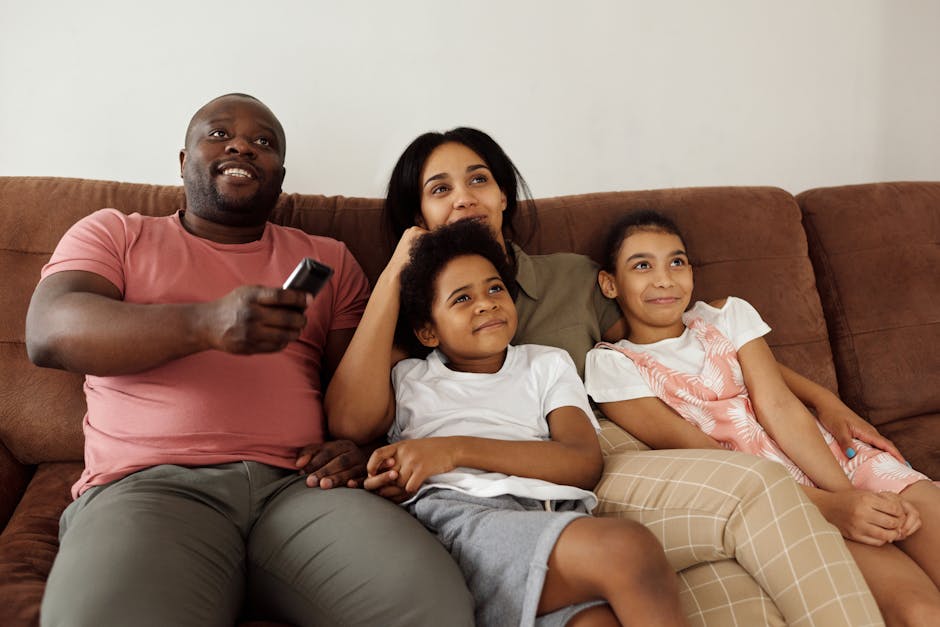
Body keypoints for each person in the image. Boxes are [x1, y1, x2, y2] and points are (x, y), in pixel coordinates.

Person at [326, 127, 885, 625]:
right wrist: (401, 266)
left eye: (478, 178)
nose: (465, 195)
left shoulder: (571, 277)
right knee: (732, 564)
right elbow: (353, 420)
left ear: (503, 195)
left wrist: (820, 397)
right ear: (418, 215)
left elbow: (683, 331)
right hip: (508, 494)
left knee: (747, 539)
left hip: (606, 445)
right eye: (440, 188)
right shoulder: (417, 324)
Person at [25, 93, 473, 627]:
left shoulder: (326, 259)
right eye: (218, 134)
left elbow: (358, 391)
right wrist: (205, 324)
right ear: (182, 161)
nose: (242, 144)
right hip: (149, 488)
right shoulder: (116, 233)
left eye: (264, 143)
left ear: (279, 179)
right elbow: (49, 331)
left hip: (303, 489)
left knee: (430, 608)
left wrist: (360, 447)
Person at [584, 209, 940, 626]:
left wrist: (853, 497)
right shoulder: (613, 366)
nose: (664, 279)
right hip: (783, 504)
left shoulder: (725, 316)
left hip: (838, 463)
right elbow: (708, 461)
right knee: (921, 612)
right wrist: (833, 507)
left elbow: (781, 407)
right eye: (642, 265)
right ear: (610, 283)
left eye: (676, 262)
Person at [356, 218, 689, 626]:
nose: (486, 303)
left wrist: (453, 449)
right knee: (627, 549)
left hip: (552, 514)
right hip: (463, 521)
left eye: (495, 288)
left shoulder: (545, 364)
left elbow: (583, 463)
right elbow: (351, 424)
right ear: (428, 331)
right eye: (461, 299)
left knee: (597, 622)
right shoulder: (408, 376)